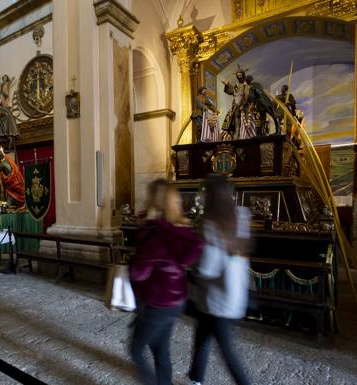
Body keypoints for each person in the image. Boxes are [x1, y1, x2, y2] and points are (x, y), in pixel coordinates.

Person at [129, 179, 203, 385]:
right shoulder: (180, 230)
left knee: (135, 351)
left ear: (153, 200)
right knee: (161, 351)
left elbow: (139, 273)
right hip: (175, 299)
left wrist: (131, 264)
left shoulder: (154, 233)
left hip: (156, 301)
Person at [186, 174, 252, 385]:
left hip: (216, 298)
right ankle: (196, 378)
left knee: (226, 351)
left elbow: (208, 267)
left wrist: (192, 265)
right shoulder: (241, 215)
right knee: (201, 336)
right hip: (235, 292)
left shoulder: (210, 223)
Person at [221, 66, 255, 140]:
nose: (239, 77)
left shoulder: (248, 85)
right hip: (236, 105)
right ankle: (236, 135)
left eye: (240, 75)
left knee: (246, 120)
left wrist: (246, 103)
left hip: (246, 106)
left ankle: (246, 135)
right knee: (236, 120)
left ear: (243, 75)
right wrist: (227, 84)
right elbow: (232, 92)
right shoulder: (236, 85)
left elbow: (250, 96)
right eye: (238, 76)